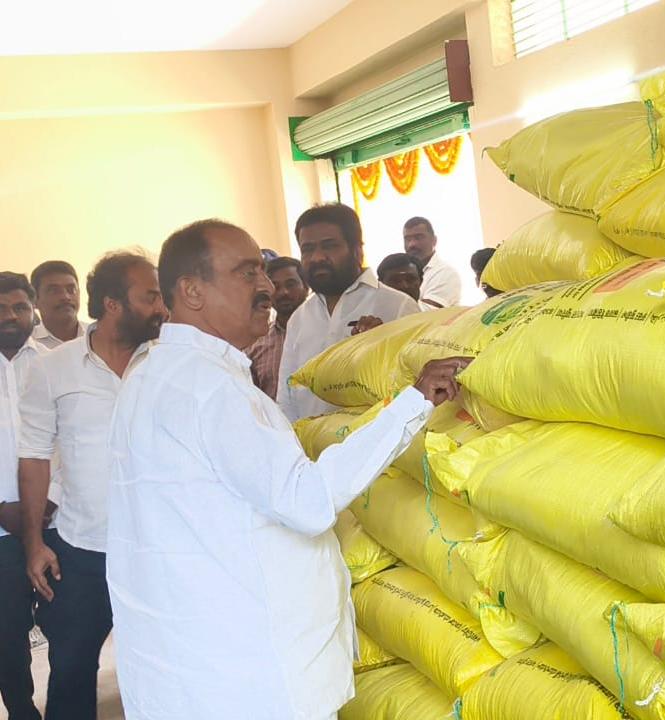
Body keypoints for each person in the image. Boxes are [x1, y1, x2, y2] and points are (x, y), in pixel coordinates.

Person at [106, 219, 466, 719]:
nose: (266, 286)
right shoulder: (209, 387)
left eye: (262, 269)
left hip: (191, 669)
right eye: (245, 272)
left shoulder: (152, 374)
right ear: (192, 291)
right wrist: (412, 404)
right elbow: (307, 501)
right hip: (245, 679)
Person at [17, 252, 168, 720]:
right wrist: (34, 544)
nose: (162, 307)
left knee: (165, 664)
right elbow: (34, 457)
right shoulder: (53, 368)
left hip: (160, 548)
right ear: (112, 304)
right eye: (150, 297)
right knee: (72, 670)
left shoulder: (168, 362)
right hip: (83, 552)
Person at [278, 204, 420, 422]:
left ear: (357, 250)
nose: (317, 257)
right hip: (310, 443)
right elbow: (287, 398)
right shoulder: (299, 318)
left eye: (329, 246)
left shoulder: (397, 306)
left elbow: (417, 386)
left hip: (381, 441)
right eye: (308, 249)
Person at [0, 273, 46, 720]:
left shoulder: (55, 365)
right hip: (0, 531)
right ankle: (21, 710)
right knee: (7, 631)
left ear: (33, 310)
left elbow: (75, 443)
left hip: (57, 522)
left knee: (68, 625)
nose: (9, 316)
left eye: (18, 307)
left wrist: (53, 501)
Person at [246, 256, 308, 399]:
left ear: (306, 287)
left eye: (291, 284)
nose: (284, 292)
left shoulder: (325, 331)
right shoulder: (255, 345)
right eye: (276, 286)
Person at [403, 216, 462, 308]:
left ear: (434, 240)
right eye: (407, 239)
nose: (412, 244)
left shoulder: (445, 272)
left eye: (418, 238)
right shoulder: (402, 273)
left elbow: (428, 311)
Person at [29, 261, 83, 350]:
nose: (66, 297)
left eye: (71, 290)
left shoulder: (99, 336)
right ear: (35, 300)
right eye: (54, 291)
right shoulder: (27, 344)